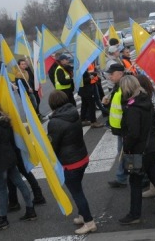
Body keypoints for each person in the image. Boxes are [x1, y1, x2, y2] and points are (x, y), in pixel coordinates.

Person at [117, 75, 155, 225]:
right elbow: (154, 121)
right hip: (152, 146)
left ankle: (134, 214)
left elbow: (133, 133)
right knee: (154, 175)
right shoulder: (145, 99)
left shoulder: (132, 107)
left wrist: (127, 148)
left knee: (135, 181)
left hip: (140, 150)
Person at [0, 96, 37, 231]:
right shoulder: (6, 120)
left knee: (1, 190)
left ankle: (2, 219)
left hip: (0, 162)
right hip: (11, 157)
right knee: (20, 183)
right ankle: (30, 209)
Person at [48, 90, 96, 234]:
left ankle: (89, 222)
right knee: (78, 189)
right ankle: (83, 215)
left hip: (70, 163)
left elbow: (53, 146)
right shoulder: (73, 112)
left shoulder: (55, 122)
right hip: (82, 157)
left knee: (77, 193)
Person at [105, 64, 129, 188]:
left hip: (124, 128)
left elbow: (128, 109)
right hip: (119, 128)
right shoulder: (118, 86)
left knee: (126, 153)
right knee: (124, 153)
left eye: (112, 74)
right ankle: (122, 177)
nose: (110, 76)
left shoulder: (126, 87)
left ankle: (123, 178)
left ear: (120, 74)